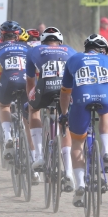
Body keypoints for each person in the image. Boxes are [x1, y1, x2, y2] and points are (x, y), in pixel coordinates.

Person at [60, 34, 108, 207]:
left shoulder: (74, 59)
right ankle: (106, 151)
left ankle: (80, 185)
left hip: (81, 100)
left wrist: (64, 114)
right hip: (104, 98)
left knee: (77, 144)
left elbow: (65, 92)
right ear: (103, 50)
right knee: (105, 113)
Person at [25, 27, 77, 192]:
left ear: (43, 41)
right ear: (60, 41)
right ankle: (68, 171)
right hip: (66, 90)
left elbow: (30, 81)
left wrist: (31, 99)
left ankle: (39, 156)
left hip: (45, 87)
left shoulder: (35, 50)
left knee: (33, 110)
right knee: (65, 121)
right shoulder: (71, 50)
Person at [0, 22, 35, 180]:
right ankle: (35, 163)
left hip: (8, 82)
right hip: (26, 83)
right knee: (29, 122)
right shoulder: (28, 48)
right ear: (18, 35)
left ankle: (7, 135)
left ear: (2, 35)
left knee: (4, 105)